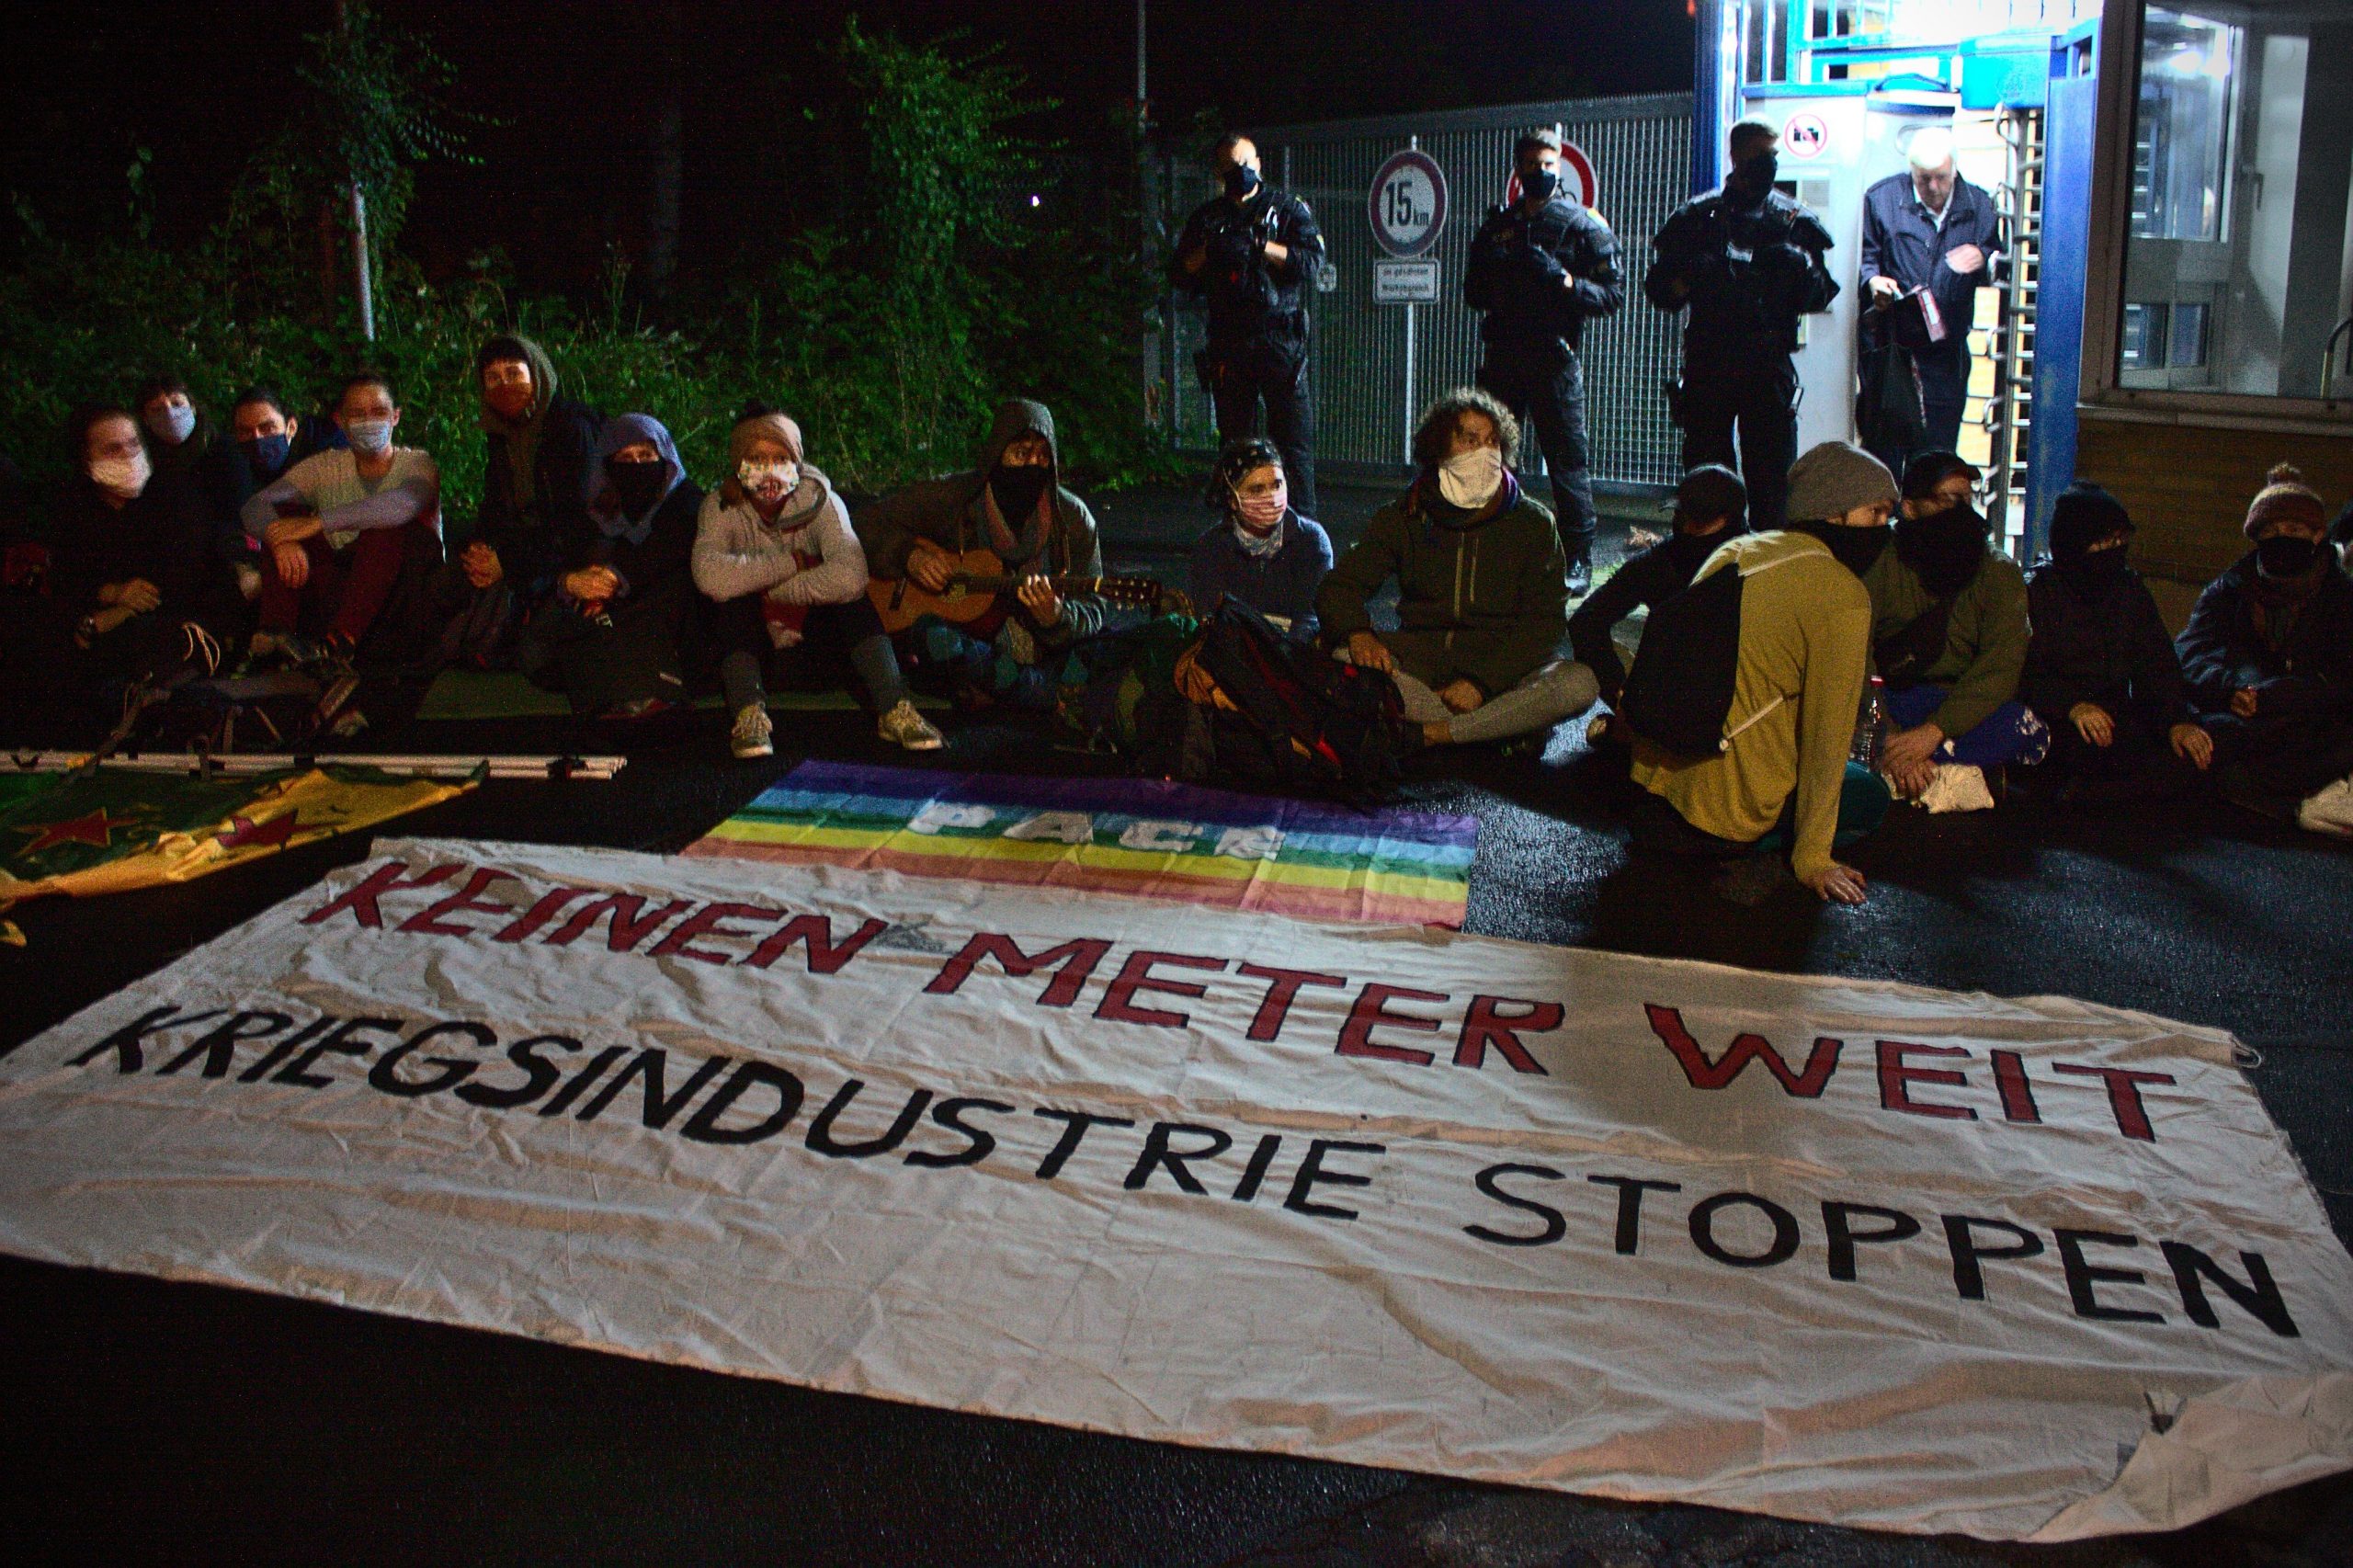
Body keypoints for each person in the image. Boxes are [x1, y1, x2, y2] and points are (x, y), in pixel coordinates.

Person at [1627, 442, 1896, 905]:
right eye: (1875, 512)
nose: (1884, 527)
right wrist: (1814, 858)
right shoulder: (1842, 594)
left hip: (1651, 794)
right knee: (1869, 791)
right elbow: (1827, 736)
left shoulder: (1738, 549)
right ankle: (1770, 846)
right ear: (1834, 511)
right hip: (1722, 821)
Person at [1315, 388, 1596, 751]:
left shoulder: (1533, 523)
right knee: (1337, 652)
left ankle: (1433, 733)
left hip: (1503, 669)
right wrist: (1357, 632)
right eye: (1470, 440)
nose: (1485, 452)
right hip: (1422, 661)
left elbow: (1544, 624)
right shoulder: (1405, 514)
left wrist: (1480, 684)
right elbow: (1340, 586)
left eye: (1492, 441)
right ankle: (1498, 728)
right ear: (1439, 448)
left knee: (1577, 683)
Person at [693, 406, 943, 759]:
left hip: (816, 638)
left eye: (780, 458)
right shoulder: (720, 507)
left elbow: (851, 575)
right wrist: (790, 564)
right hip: (753, 645)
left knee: (852, 600)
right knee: (731, 599)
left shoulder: (820, 501)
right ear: (739, 463)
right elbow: (710, 575)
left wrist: (772, 589)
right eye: (757, 459)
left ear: (796, 462)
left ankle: (894, 707)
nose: (769, 470)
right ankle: (748, 716)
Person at [1645, 119, 1838, 532]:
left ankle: (1767, 556)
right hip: (1710, 362)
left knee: (1772, 480)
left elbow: (1821, 296)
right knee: (1708, 477)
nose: (1768, 164)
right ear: (1736, 157)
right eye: (1759, 155)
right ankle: (1711, 554)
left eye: (1773, 156)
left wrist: (1800, 267)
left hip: (1767, 362)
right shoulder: (1699, 218)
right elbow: (1661, 292)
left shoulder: (1793, 220)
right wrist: (1692, 274)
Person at [859, 398, 1109, 710]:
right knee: (932, 636)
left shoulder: (1072, 519)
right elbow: (866, 522)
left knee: (1103, 647)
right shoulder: (955, 498)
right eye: (1021, 454)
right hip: (972, 639)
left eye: (1043, 456)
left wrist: (1058, 617)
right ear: (997, 454)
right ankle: (1034, 693)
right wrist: (909, 556)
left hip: (1040, 647)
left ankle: (1009, 689)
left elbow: (1095, 608)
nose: (1033, 465)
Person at [1465, 129, 1625, 595]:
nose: (1541, 172)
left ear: (1560, 169)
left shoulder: (1581, 224)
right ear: (1518, 170)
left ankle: (1577, 559)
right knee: (1493, 459)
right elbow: (1471, 292)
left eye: (1549, 165)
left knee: (1567, 463)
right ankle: (1495, 550)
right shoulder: (1498, 226)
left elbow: (1612, 295)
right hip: (1504, 359)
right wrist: (1500, 271)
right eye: (1533, 165)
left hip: (1554, 361)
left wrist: (1564, 281)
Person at [241, 372, 441, 722]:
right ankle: (276, 639)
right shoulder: (326, 466)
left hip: (402, 594)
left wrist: (319, 522)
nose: (369, 422)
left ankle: (339, 647)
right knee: (284, 521)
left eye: (378, 412)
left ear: (395, 416)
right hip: (342, 586)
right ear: (341, 421)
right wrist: (279, 538)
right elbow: (255, 505)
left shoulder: (416, 464)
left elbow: (403, 505)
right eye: (358, 414)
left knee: (386, 528)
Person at [1859, 452, 2045, 805]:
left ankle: (1904, 770)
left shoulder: (1996, 571)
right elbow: (1857, 653)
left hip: (1957, 706)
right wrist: (1888, 733)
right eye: (1948, 499)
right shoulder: (1883, 562)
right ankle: (1938, 772)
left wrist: (1933, 732)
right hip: (1895, 698)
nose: (1960, 510)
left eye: (1966, 499)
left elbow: (2000, 667)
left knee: (2025, 727)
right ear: (1910, 508)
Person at [2177, 464, 2353, 833]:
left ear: (2317, 535)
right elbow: (2189, 650)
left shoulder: (2340, 596)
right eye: (2270, 531)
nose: (2281, 538)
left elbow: (2343, 678)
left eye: (2294, 530)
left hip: (2310, 717)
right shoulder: (2231, 588)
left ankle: (2265, 794)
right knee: (2204, 736)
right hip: (2244, 713)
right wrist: (2228, 688)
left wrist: (2282, 695)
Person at [2019, 481, 2211, 799]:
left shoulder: (2128, 591)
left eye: (2121, 539)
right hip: (2056, 717)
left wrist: (2176, 721)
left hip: (2114, 714)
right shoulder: (2037, 593)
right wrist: (2071, 706)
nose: (2115, 549)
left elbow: (2157, 664)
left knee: (2186, 754)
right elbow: (2021, 672)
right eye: (2104, 541)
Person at [1169, 133, 1326, 518]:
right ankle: (1239, 522)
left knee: (1293, 442)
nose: (1240, 172)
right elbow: (1179, 273)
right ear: (1218, 172)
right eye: (1230, 166)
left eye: (1245, 163)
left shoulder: (1286, 209)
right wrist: (1211, 250)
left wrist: (1262, 246)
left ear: (1258, 163)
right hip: (1230, 342)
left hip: (1279, 340)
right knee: (1236, 443)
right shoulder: (1208, 219)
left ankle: (1302, 530)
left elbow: (1311, 262)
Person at [51, 405, 241, 708]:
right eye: (113, 449)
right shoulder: (75, 510)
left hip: (183, 621)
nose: (127, 455)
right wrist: (112, 593)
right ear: (86, 461)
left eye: (133, 444)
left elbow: (185, 575)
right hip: (103, 630)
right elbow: (67, 575)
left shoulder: (175, 496)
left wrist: (122, 611)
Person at [517, 414, 704, 719]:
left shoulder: (686, 503)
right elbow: (559, 556)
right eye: (625, 458)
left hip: (663, 620)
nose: (636, 466)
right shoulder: (596, 511)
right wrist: (572, 581)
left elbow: (665, 551)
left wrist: (614, 578)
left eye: (646, 456)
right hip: (602, 612)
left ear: (664, 458)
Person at [1859, 127, 2005, 474]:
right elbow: (1865, 258)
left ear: (1954, 169)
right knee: (1884, 455)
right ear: (1911, 170)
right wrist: (1873, 281)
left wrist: (1983, 258)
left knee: (1936, 456)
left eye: (1941, 177)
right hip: (1891, 351)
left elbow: (2000, 265)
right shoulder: (1880, 199)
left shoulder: (1980, 205)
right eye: (1924, 179)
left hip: (1946, 354)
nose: (1934, 187)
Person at [1570, 464, 1748, 721]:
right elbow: (1587, 620)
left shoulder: (1756, 565)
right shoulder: (1661, 561)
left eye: (1699, 521)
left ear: (1727, 521)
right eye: (1682, 516)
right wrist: (1620, 694)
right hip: (1669, 687)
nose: (1686, 528)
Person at [462, 333, 600, 606]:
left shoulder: (570, 428)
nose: (505, 385)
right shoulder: (502, 435)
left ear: (536, 375)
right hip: (524, 544)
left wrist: (508, 563)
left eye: (514, 374)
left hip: (567, 554)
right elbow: (495, 504)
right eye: (493, 378)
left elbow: (577, 523)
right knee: (451, 579)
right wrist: (481, 546)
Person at [1187, 437, 1333, 641]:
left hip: (1294, 653)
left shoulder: (1311, 540)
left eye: (1277, 485)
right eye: (1257, 489)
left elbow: (1310, 620)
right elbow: (1210, 620)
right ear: (1233, 500)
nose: (1272, 498)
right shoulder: (1211, 548)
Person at [133, 374, 219, 484]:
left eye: (177, 404)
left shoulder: (221, 451)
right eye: (157, 409)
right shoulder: (142, 464)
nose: (170, 414)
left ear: (192, 407)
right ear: (145, 419)